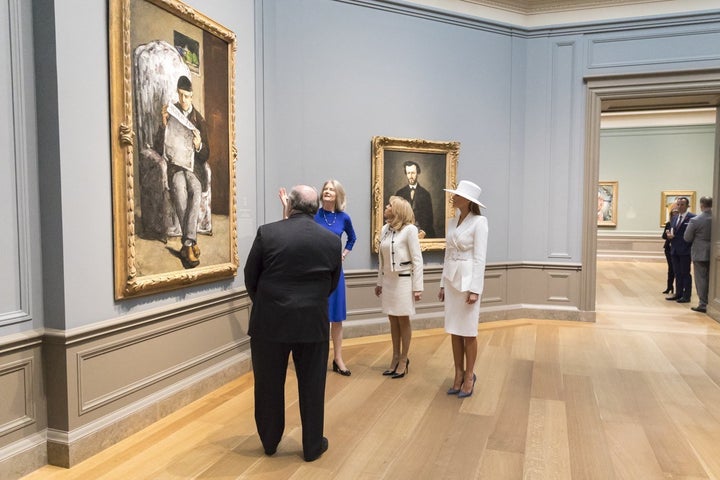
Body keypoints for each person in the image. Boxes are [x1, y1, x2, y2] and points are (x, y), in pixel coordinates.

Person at [244, 185, 342, 462]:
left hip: (270, 323)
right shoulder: (331, 240)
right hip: (313, 323)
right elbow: (331, 284)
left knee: (268, 385)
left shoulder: (268, 233)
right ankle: (312, 446)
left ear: (290, 204)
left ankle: (270, 442)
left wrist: (268, 303)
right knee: (313, 386)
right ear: (314, 208)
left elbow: (251, 276)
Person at [438, 180, 488, 399]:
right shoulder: (451, 222)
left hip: (468, 283)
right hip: (451, 281)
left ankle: (469, 376)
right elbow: (447, 254)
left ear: (467, 200)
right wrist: (442, 283)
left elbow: (480, 259)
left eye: (456, 195)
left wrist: (475, 289)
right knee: (454, 330)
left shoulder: (480, 222)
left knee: (468, 332)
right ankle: (457, 374)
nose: (452, 197)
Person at [153, 75, 210, 268]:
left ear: (192, 96)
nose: (183, 100)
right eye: (180, 95)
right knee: (179, 189)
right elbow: (157, 145)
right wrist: (163, 124)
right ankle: (190, 244)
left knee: (194, 190)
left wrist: (199, 144)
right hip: (176, 167)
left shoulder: (199, 119)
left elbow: (206, 154)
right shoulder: (171, 113)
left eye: (187, 96)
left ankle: (186, 244)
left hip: (193, 168)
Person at [374, 196, 423, 379]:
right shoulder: (385, 229)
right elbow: (381, 260)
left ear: (398, 210)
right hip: (388, 281)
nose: (386, 207)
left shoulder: (410, 230)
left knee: (403, 320)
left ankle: (404, 359)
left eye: (389, 205)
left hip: (404, 281)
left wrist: (417, 287)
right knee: (392, 320)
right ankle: (394, 356)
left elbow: (417, 260)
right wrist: (379, 282)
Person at [315, 180, 357, 375]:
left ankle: (338, 358)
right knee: (318, 317)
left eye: (331, 189)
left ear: (338, 195)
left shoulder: (343, 217)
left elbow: (352, 238)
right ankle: (317, 359)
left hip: (335, 272)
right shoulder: (313, 215)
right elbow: (292, 226)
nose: (327, 191)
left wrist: (344, 254)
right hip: (315, 273)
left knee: (336, 318)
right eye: (325, 189)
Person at [684, 196, 712, 313]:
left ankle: (703, 303)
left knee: (701, 279)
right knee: (713, 279)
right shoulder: (717, 218)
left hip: (700, 252)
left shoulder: (696, 220)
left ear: (701, 205)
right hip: (715, 252)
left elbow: (687, 237)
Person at [665, 196, 695, 303]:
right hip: (674, 250)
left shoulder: (692, 218)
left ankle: (687, 295)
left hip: (685, 250)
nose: (680, 207)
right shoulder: (674, 217)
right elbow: (672, 230)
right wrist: (669, 235)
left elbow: (692, 235)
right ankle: (678, 294)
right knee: (677, 272)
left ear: (687, 206)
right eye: (678, 204)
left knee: (685, 273)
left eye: (682, 204)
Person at [396, 161, 435, 238]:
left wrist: (423, 231)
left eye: (413, 173)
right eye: (408, 173)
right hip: (403, 232)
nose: (410, 176)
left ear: (418, 173)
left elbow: (429, 217)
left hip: (421, 232)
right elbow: (396, 216)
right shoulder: (399, 193)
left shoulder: (425, 194)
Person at [661, 207, 679, 294]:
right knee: (670, 268)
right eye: (673, 213)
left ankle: (678, 288)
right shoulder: (669, 223)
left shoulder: (680, 224)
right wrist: (667, 235)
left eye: (676, 212)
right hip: (669, 248)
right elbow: (663, 236)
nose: (675, 214)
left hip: (678, 248)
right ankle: (669, 287)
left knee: (677, 269)